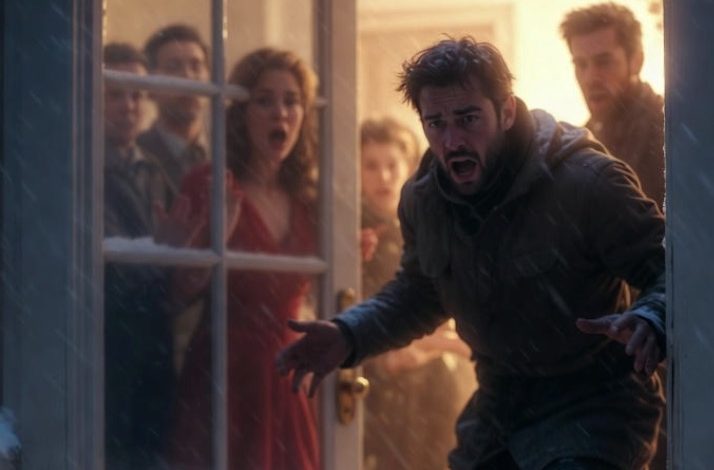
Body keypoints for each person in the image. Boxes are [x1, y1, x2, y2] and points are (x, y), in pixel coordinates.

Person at [277, 37, 666, 470]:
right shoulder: (424, 201)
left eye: (467, 119)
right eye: (436, 123)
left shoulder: (586, 182)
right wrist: (349, 334)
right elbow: (419, 292)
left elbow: (673, 272)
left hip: (596, 406)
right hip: (499, 409)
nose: (452, 140)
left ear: (506, 112)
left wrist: (651, 318)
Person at [163, 47, 320, 470]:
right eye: (264, 100)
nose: (280, 113)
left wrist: (349, 253)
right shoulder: (210, 183)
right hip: (224, 375)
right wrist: (218, 234)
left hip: (291, 376)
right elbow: (177, 292)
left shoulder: (309, 199)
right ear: (240, 113)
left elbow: (334, 293)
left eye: (291, 101)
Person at [360, 116, 472, 470]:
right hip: (379, 392)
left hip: (434, 390)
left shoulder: (429, 227)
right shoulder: (352, 238)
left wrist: (438, 346)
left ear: (408, 167)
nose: (383, 176)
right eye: (371, 166)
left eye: (392, 165)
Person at [102, 43, 174, 470]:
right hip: (107, 336)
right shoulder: (84, 165)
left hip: (155, 340)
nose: (129, 105)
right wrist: (162, 255)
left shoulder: (152, 169)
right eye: (116, 94)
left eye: (137, 94)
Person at [560, 2, 665, 210]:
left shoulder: (666, 133)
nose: (590, 78)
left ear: (636, 61)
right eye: (581, 64)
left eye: (604, 62)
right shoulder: (581, 141)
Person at [137, 23, 211, 209]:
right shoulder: (138, 156)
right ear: (149, 87)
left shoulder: (226, 153)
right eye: (173, 67)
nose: (188, 76)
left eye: (196, 66)